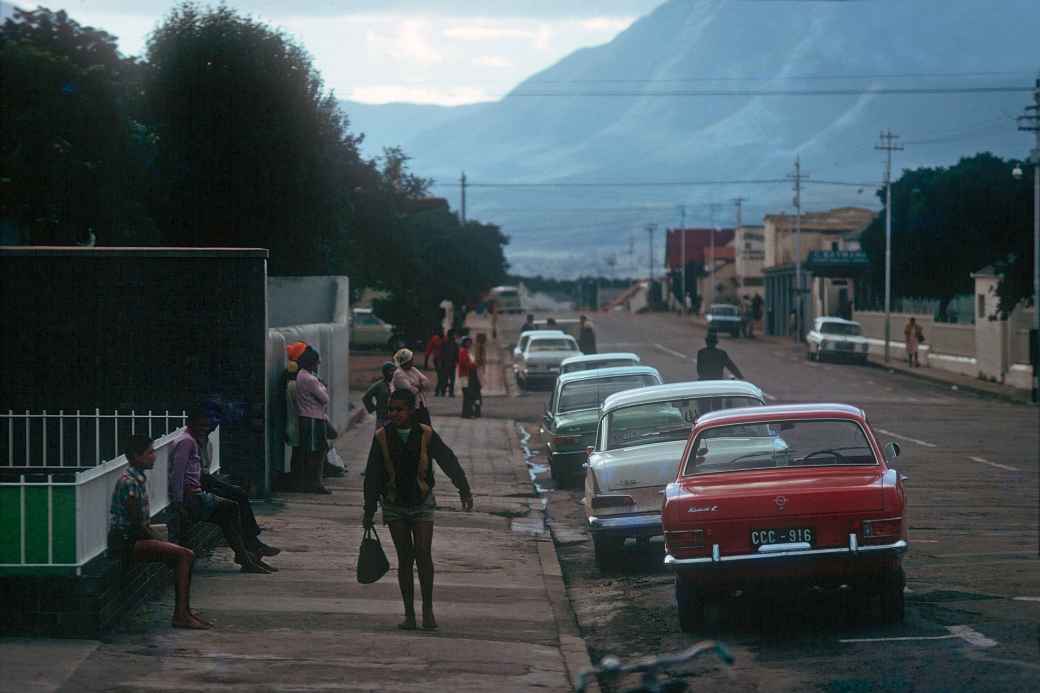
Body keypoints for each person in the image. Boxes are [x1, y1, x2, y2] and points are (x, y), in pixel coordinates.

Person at [363, 389, 474, 631]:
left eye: (399, 409)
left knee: (423, 553)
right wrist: (368, 510)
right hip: (394, 504)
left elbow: (448, 460)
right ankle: (409, 614)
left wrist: (463, 488)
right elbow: (372, 475)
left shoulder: (426, 434)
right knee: (405, 558)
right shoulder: (382, 437)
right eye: (391, 409)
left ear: (411, 411)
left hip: (422, 502)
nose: (393, 414)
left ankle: (428, 610)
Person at [109, 434, 211, 629]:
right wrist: (161, 540)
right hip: (125, 542)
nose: (154, 456)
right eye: (149, 453)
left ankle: (185, 611)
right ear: (136, 456)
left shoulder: (137, 479)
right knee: (184, 554)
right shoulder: (128, 482)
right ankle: (181, 614)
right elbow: (137, 523)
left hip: (134, 538)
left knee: (185, 555)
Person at [169, 407, 273, 573]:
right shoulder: (186, 442)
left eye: (206, 426)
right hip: (192, 495)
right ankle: (246, 556)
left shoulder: (196, 440)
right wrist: (179, 502)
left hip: (196, 491)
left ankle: (246, 556)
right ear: (190, 424)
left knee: (229, 512)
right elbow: (177, 474)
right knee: (231, 508)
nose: (204, 429)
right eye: (200, 425)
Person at [295, 346, 335, 494]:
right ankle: (315, 483)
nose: (318, 365)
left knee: (310, 452)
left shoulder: (301, 375)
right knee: (317, 452)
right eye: (317, 363)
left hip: (307, 417)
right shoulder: (311, 379)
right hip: (313, 418)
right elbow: (325, 399)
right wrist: (323, 387)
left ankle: (309, 482)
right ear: (311, 363)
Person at [391, 348, 433, 425]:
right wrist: (420, 385)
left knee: (427, 428)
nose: (413, 361)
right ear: (406, 361)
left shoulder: (413, 369)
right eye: (411, 360)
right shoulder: (399, 374)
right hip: (410, 408)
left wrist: (417, 385)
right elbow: (411, 390)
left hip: (421, 404)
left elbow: (427, 382)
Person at [362, 362, 396, 429]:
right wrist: (373, 408)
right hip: (382, 418)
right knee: (380, 436)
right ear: (385, 372)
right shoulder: (379, 385)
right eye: (390, 371)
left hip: (395, 417)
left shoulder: (397, 383)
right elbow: (366, 397)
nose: (392, 373)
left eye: (394, 371)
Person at [458, 336, 481, 418]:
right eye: (467, 342)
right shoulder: (463, 352)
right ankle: (466, 413)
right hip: (465, 376)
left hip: (470, 376)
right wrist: (473, 365)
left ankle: (468, 413)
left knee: (469, 396)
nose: (469, 344)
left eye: (470, 342)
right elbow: (464, 363)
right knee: (467, 395)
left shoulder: (467, 352)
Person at [437, 329, 460, 397]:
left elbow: (457, 354)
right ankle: (443, 391)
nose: (454, 336)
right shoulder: (444, 343)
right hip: (445, 364)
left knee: (452, 379)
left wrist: (457, 361)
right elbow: (440, 354)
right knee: (445, 378)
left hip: (452, 364)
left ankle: (451, 392)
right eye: (453, 334)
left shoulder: (455, 344)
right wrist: (440, 362)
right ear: (450, 335)